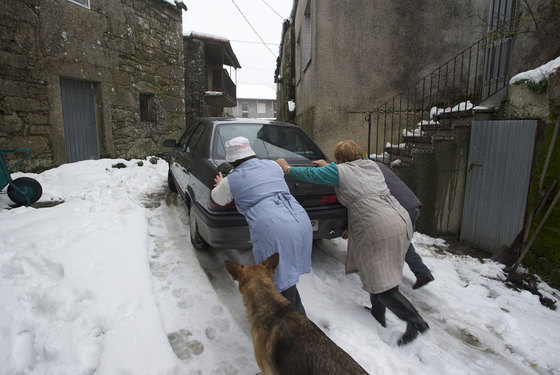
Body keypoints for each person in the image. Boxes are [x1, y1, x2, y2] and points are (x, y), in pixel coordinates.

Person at [276, 140, 429, 346]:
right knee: (382, 273)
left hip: (378, 225)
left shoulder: (340, 171)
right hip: (399, 219)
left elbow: (311, 175)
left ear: (339, 159)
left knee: (381, 285)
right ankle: (377, 315)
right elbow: (346, 172)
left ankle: (415, 321)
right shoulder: (371, 165)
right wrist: (328, 166)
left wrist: (287, 168)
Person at [212, 136, 313, 316]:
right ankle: (292, 323)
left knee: (276, 282)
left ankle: (295, 328)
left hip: (273, 227)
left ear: (231, 161)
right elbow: (278, 169)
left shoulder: (231, 180)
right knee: (284, 277)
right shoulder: (272, 166)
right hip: (299, 219)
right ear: (251, 153)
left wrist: (220, 184)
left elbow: (217, 198)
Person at [375, 162, 435, 289]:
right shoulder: (377, 165)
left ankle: (388, 286)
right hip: (412, 205)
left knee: (395, 244)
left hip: (401, 210)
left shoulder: (363, 171)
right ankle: (423, 273)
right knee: (404, 243)